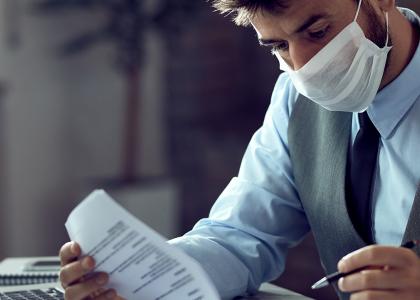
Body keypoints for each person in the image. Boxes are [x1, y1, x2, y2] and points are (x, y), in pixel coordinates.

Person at [58, 0, 420, 299]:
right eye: (278, 46)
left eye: (318, 32)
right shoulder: (295, 101)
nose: (304, 66)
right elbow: (242, 236)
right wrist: (140, 279)